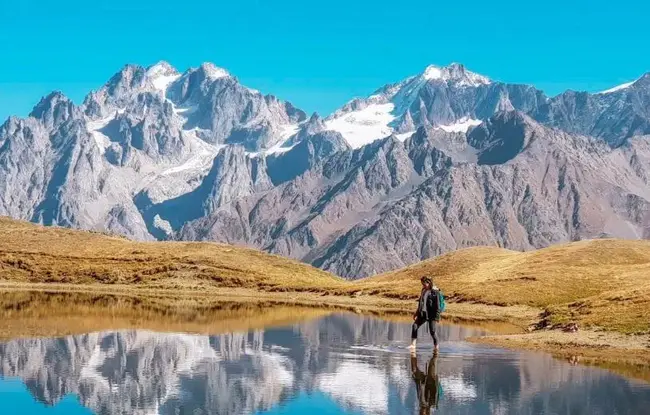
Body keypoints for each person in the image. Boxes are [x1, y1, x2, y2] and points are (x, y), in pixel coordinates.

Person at [409, 276, 440, 352]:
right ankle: (413, 345)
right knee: (414, 326)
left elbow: (438, 306)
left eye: (424, 284)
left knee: (432, 331)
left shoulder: (435, 292)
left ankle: (436, 347)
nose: (423, 285)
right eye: (422, 284)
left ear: (428, 283)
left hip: (432, 315)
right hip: (423, 313)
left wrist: (437, 317)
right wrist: (416, 313)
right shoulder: (423, 290)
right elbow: (421, 303)